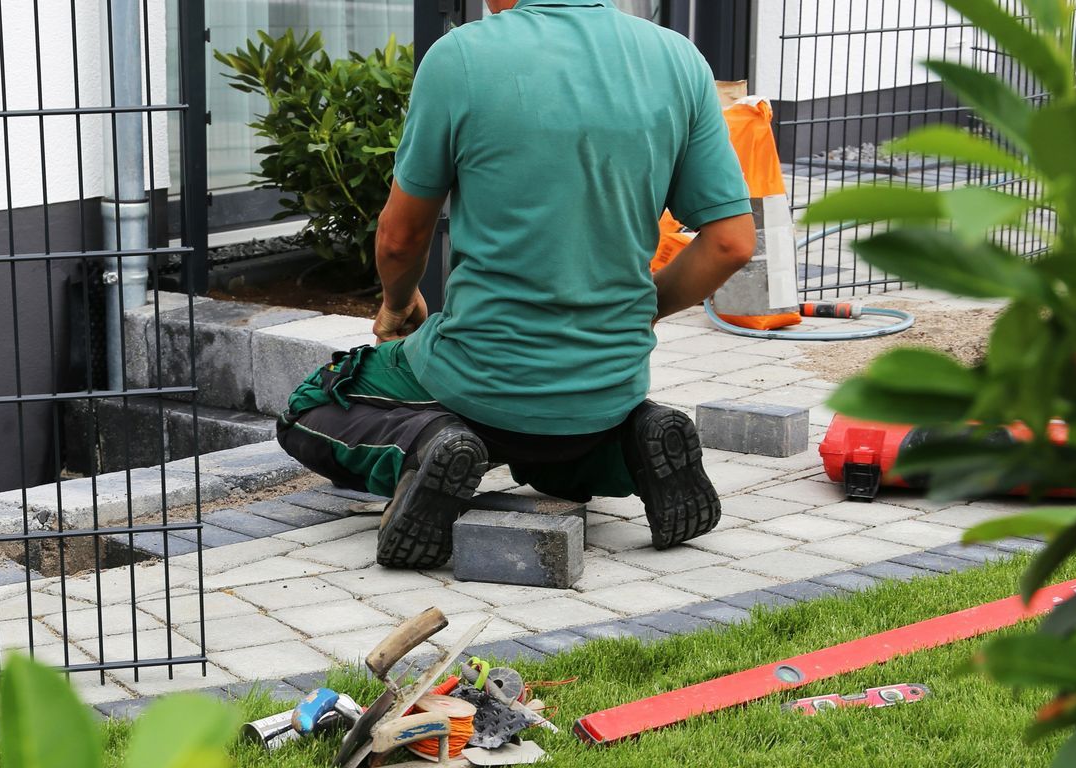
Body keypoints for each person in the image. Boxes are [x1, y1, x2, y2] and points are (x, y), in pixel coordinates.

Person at [275, 0, 758, 570]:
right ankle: (631, 443)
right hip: (608, 389)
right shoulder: (679, 60)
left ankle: (426, 443)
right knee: (549, 454)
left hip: (476, 376)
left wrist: (397, 304)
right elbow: (731, 242)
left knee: (309, 405)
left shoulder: (461, 57)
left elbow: (400, 239)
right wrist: (641, 310)